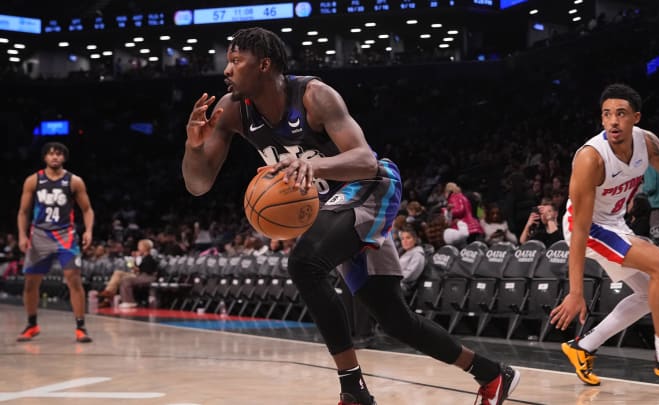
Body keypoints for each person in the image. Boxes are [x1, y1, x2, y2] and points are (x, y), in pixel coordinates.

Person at [182, 27, 518, 405]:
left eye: (235, 60)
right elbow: (198, 185)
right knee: (394, 320)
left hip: (373, 185)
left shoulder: (313, 95)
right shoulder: (231, 110)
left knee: (305, 262)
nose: (226, 69)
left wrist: (315, 167)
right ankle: (492, 373)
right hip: (335, 204)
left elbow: (365, 160)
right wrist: (194, 148)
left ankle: (353, 390)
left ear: (264, 64)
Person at [550, 84, 659, 386]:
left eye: (621, 114)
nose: (614, 121)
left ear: (635, 118)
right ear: (601, 120)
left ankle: (582, 347)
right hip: (586, 226)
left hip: (614, 222)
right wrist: (576, 292)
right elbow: (579, 231)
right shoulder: (591, 158)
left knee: (647, 294)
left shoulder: (648, 143)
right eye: (607, 115)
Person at [16, 142, 94, 343]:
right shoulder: (33, 180)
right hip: (40, 235)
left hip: (65, 236)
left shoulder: (74, 181)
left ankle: (80, 327)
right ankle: (32, 324)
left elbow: (87, 209)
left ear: (64, 158)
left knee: (74, 280)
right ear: (45, 158)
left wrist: (89, 230)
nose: (55, 157)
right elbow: (23, 212)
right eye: (51, 154)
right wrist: (22, 236)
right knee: (30, 283)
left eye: (59, 154)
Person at [118, 239, 159, 309]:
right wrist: (132, 261)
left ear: (145, 247)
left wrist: (136, 268)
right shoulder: (143, 258)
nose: (138, 248)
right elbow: (137, 269)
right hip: (142, 276)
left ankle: (129, 301)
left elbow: (146, 270)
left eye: (139, 246)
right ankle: (126, 300)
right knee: (124, 279)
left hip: (149, 277)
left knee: (127, 280)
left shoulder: (150, 258)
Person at [443, 182, 484, 247]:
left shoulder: (456, 196)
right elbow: (481, 212)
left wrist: (446, 210)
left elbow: (459, 210)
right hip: (475, 224)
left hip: (466, 226)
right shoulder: (476, 196)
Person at [398, 226, 426, 294]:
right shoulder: (404, 252)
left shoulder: (418, 254)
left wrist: (391, 279)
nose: (405, 241)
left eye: (408, 238)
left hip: (403, 287)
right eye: (402, 238)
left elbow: (409, 275)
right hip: (396, 282)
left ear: (415, 239)